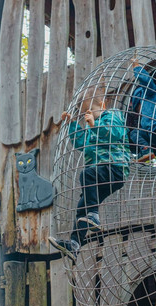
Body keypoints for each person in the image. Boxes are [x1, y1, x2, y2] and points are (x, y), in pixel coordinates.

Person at [49, 86, 130, 262]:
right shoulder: (91, 129)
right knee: (82, 206)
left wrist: (95, 125)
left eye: (90, 111)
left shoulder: (113, 116)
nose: (89, 116)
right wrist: (72, 124)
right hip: (100, 175)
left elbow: (114, 134)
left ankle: (94, 215)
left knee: (87, 174)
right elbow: (81, 143)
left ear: (102, 104)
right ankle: (74, 244)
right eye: (86, 113)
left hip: (115, 169)